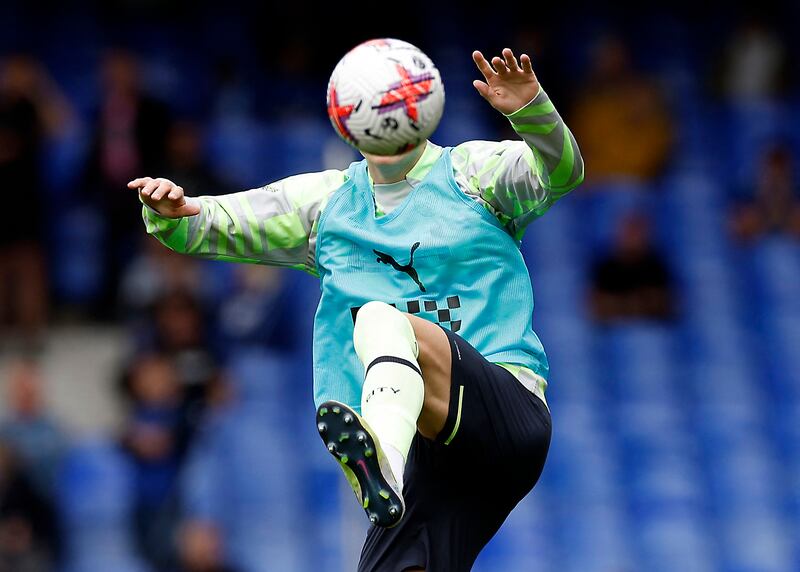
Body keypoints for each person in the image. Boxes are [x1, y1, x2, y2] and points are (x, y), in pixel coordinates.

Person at [129, 42, 583, 571]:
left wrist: (532, 110)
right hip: (433, 459)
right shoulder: (326, 206)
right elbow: (221, 221)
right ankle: (386, 472)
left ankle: (379, 462)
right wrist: (174, 212)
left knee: (380, 321)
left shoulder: (473, 174)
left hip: (504, 411)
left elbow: (560, 172)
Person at [589, 213, 675, 322]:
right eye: (629, 232)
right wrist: (634, 303)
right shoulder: (606, 265)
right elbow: (597, 304)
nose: (633, 237)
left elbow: (664, 302)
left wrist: (623, 304)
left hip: (649, 326)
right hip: (612, 329)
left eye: (637, 233)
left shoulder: (656, 264)